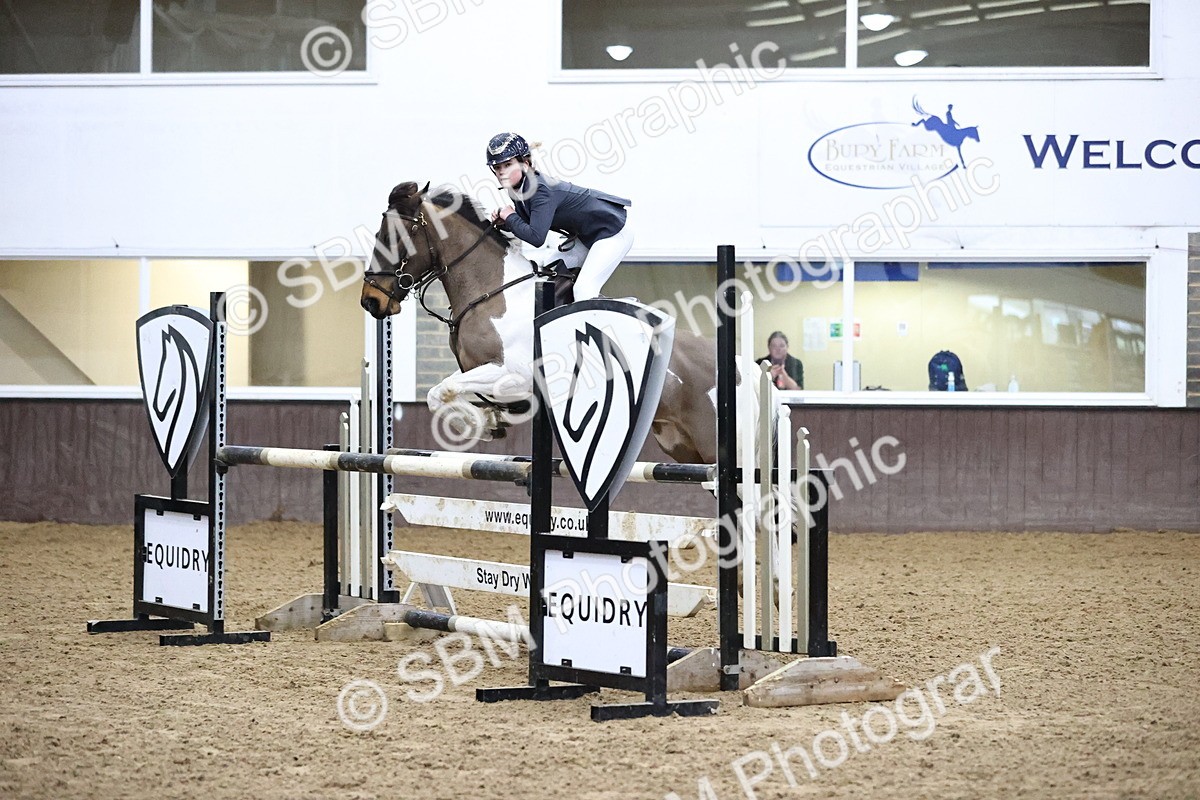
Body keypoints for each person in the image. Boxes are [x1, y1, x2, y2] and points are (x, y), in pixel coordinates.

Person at [485, 132, 633, 302]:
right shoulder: (518, 188)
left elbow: (536, 237)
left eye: (508, 165)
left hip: (613, 232)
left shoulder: (540, 189)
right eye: (497, 167)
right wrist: (507, 222)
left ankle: (618, 315)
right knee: (546, 275)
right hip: (587, 237)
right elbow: (529, 223)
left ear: (524, 164)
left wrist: (510, 216)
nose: (502, 172)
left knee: (584, 290)